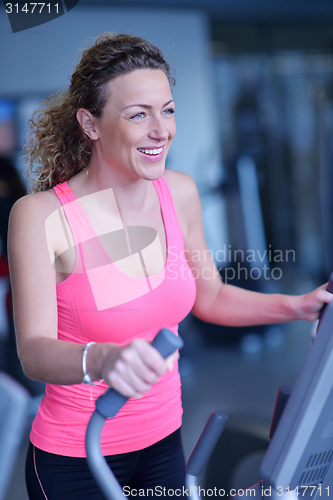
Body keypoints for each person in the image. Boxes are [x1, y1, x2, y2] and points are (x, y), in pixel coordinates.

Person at [8, 33, 332, 500]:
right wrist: (102, 357)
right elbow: (34, 352)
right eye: (139, 114)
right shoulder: (42, 216)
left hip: (163, 441)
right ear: (91, 124)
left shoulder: (178, 193)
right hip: (78, 455)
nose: (161, 130)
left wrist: (298, 305)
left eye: (168, 109)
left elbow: (211, 297)